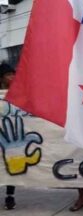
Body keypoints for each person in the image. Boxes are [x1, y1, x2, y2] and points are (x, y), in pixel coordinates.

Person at [0, 62, 17, 210]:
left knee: (12, 166)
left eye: (13, 74)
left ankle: (9, 196)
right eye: (8, 75)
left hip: (12, 137)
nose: (12, 77)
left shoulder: (18, 93)